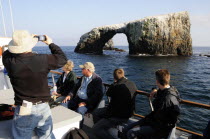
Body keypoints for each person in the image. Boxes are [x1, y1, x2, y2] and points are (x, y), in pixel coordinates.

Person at [3, 30, 67, 139]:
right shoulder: (42, 59)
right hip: (43, 107)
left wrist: (21, 42)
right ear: (30, 44)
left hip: (24, 108)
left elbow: (6, 52)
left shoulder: (9, 60)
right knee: (47, 136)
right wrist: (50, 43)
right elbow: (62, 59)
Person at [122, 69, 180, 139]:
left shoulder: (166, 99)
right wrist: (155, 90)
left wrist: (141, 125)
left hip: (160, 128)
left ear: (157, 81)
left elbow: (159, 120)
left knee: (131, 132)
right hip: (155, 121)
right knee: (126, 128)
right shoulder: (171, 90)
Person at [92, 68, 137, 139]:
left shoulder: (115, 86)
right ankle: (102, 131)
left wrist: (114, 82)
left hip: (117, 115)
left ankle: (101, 131)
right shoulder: (132, 84)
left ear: (114, 77)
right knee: (96, 112)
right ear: (123, 74)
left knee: (95, 128)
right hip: (128, 113)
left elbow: (108, 93)